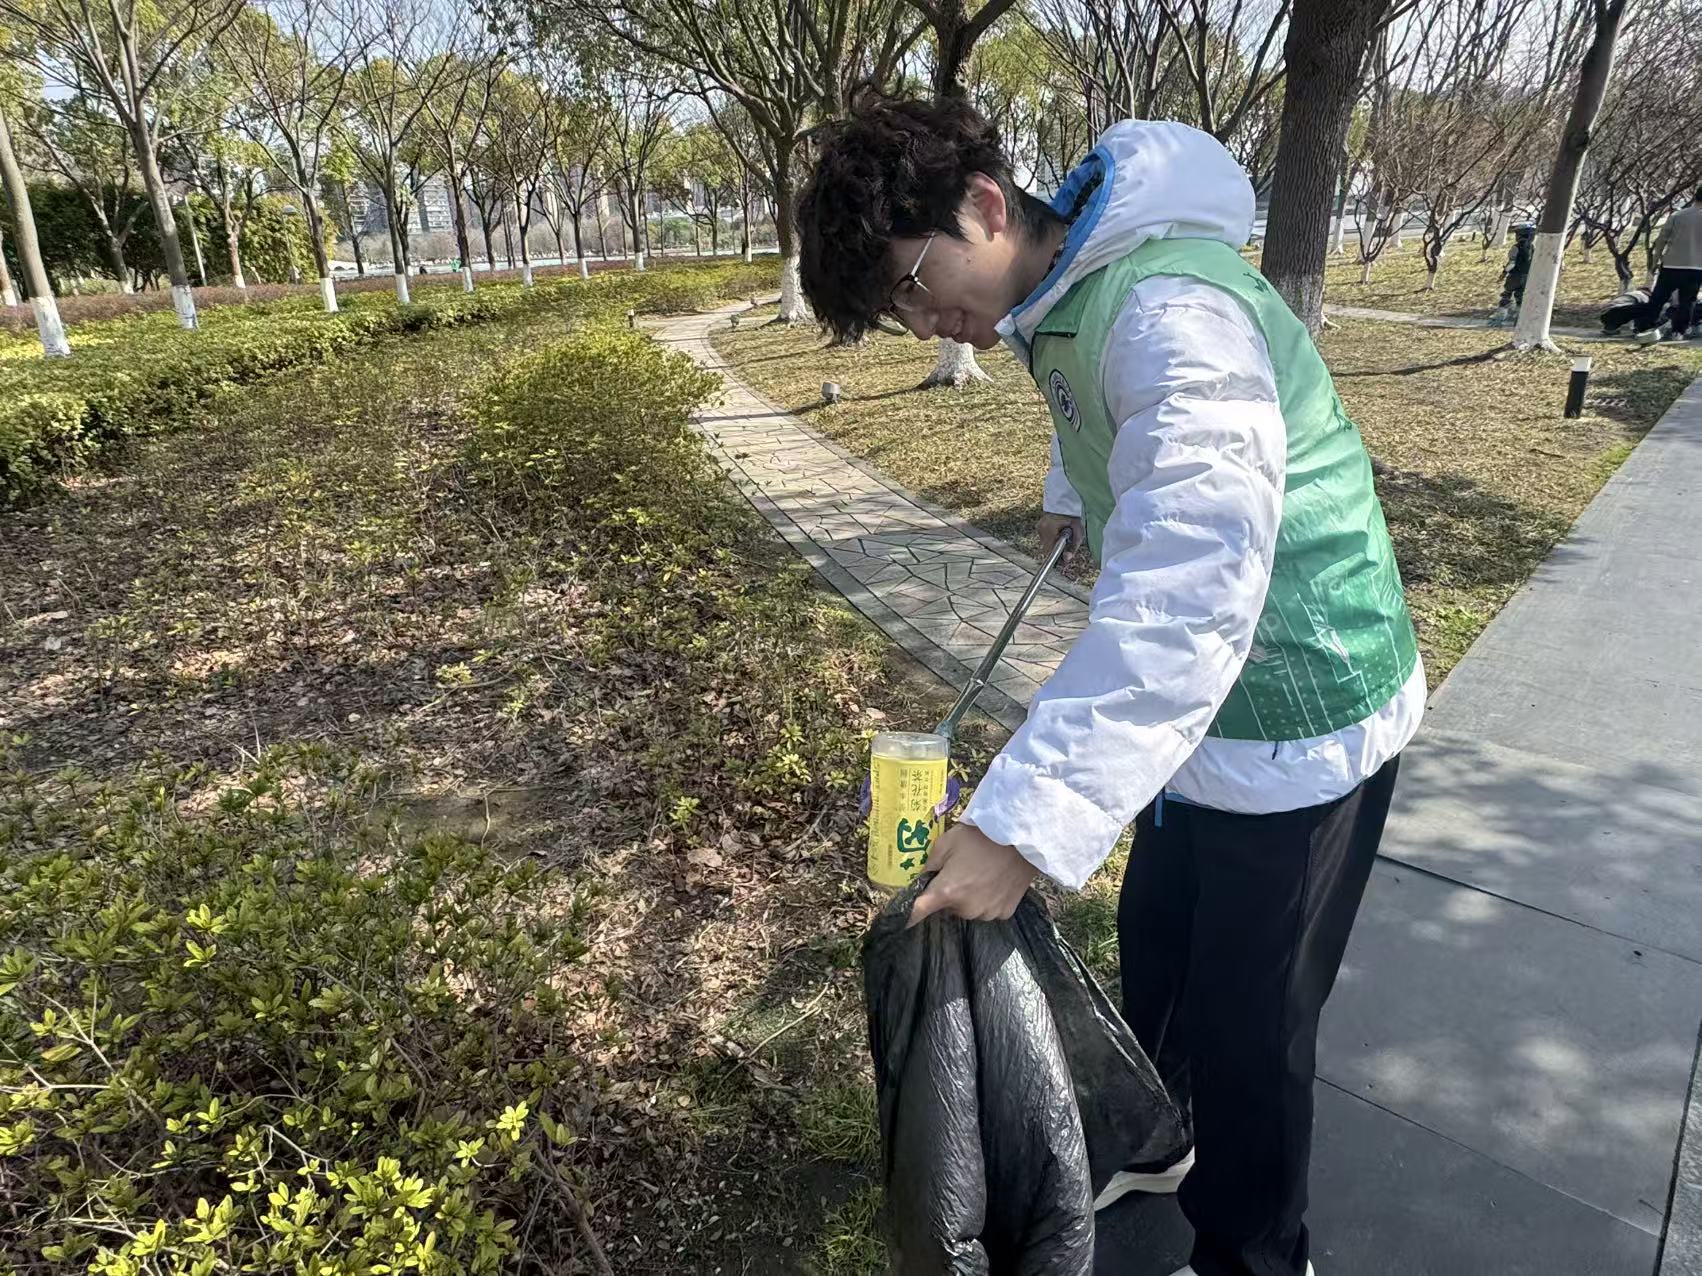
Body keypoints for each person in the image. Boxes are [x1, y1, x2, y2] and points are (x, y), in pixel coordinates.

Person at [796, 98, 1424, 1276]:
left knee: (1254, 1029)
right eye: (897, 309)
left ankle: (1254, 1254)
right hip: (1200, 722)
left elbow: (1190, 591)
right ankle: (1154, 1133)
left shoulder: (1175, 313)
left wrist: (1016, 828)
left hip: (1301, 704)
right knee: (1162, 945)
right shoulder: (1064, 287)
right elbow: (1098, 399)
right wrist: (1070, 492)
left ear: (985, 204)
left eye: (914, 281)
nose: (923, 318)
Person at [1629, 188, 1702, 343]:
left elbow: (1662, 239)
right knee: (1687, 301)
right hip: (1696, 267)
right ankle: (1678, 332)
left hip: (1671, 264)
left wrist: (1655, 261)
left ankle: (1644, 328)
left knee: (1658, 298)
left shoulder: (1677, 215)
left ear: (1695, 196)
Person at [1490, 221, 1536, 325]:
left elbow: (1512, 263)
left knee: (1507, 294)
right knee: (1520, 297)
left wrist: (1504, 273)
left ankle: (1500, 316)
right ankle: (1519, 318)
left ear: (1520, 235)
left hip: (1515, 276)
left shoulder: (1516, 247)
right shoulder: (1532, 247)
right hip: (1527, 276)